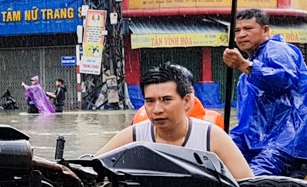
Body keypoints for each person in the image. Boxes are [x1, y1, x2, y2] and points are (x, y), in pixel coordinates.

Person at [221, 8, 307, 177]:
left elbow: (284, 80)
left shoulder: (277, 49)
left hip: (290, 141)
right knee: (217, 158)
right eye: (237, 30)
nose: (241, 35)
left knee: (252, 178)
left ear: (265, 30)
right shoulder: (244, 79)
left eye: (248, 29)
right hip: (256, 141)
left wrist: (244, 65)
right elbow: (246, 120)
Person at [99, 63, 252, 178]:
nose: (157, 109)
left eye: (166, 100)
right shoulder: (133, 137)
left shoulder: (212, 137)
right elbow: (90, 167)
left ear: (186, 101)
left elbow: (249, 186)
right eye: (150, 101)